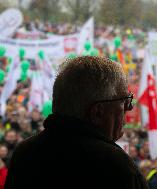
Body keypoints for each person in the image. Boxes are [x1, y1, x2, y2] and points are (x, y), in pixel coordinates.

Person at [5, 56, 148, 189]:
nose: (130, 108)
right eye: (124, 101)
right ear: (98, 112)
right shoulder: (118, 167)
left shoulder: (25, 154)